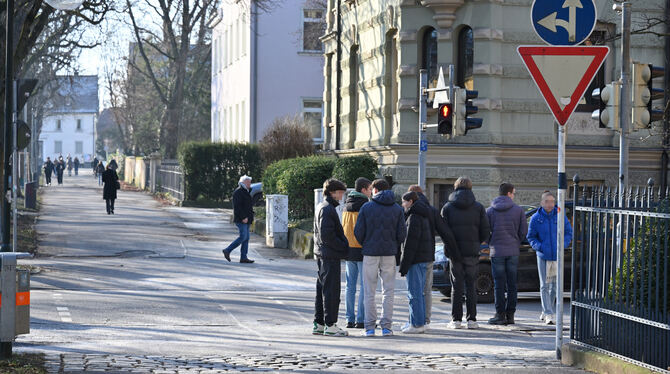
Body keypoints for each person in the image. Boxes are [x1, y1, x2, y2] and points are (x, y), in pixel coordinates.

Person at [354, 179, 406, 337]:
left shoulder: (367, 207)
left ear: (375, 190)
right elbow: (402, 233)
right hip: (389, 253)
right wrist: (393, 245)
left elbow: (358, 232)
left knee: (369, 291)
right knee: (388, 291)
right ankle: (386, 327)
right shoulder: (397, 208)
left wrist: (366, 243)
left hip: (370, 253)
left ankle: (369, 327)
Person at [441, 177, 490, 329]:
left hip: (454, 252)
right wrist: (477, 243)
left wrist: (449, 245)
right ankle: (472, 320)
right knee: (471, 285)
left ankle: (456, 320)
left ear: (455, 187)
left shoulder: (448, 207)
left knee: (457, 285)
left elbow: (443, 230)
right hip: (472, 252)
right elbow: (485, 231)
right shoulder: (478, 207)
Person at [408, 185, 459, 329]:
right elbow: (444, 231)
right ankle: (426, 319)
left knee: (414, 289)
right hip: (429, 254)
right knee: (426, 289)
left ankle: (416, 320)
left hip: (415, 255)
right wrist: (453, 251)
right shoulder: (432, 210)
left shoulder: (410, 209)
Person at [527, 190, 573, 325]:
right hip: (543, 256)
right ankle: (548, 313)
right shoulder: (536, 218)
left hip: (556, 256)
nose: (550, 204)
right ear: (542, 203)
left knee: (554, 286)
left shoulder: (560, 215)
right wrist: (540, 247)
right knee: (544, 285)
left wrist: (562, 245)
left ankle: (547, 309)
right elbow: (531, 237)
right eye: (547, 201)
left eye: (552, 201)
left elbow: (568, 232)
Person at [486, 182, 528, 325]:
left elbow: (485, 231)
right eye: (514, 193)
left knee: (499, 284)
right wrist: (516, 242)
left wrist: (491, 241)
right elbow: (523, 231)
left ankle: (500, 314)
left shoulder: (490, 211)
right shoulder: (518, 210)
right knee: (512, 285)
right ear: (509, 193)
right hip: (513, 251)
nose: (514, 195)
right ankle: (510, 315)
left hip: (496, 251)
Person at [312, 178, 349, 337]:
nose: (342, 195)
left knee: (322, 289)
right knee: (331, 291)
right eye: (340, 192)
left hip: (322, 254)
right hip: (329, 255)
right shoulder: (328, 209)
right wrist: (343, 246)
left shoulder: (322, 206)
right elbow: (327, 235)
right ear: (332, 192)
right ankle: (330, 324)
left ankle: (319, 323)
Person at [399, 191, 433, 334]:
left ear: (411, 201)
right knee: (419, 292)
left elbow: (410, 244)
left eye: (404, 202)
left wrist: (404, 265)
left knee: (414, 293)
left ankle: (416, 324)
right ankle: (419, 322)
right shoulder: (422, 214)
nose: (402, 205)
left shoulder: (413, 217)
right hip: (423, 258)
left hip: (416, 259)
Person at [341, 177, 371, 329]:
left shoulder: (346, 205)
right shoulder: (365, 206)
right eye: (370, 189)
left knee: (349, 286)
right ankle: (361, 319)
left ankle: (349, 319)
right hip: (361, 249)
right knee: (365, 286)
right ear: (364, 189)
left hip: (348, 249)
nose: (371, 192)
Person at [222, 175, 255, 264]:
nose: (250, 184)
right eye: (248, 182)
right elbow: (237, 207)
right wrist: (243, 217)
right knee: (243, 237)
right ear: (243, 182)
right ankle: (227, 250)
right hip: (241, 219)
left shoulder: (246, 191)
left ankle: (243, 257)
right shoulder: (238, 192)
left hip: (247, 219)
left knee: (246, 238)